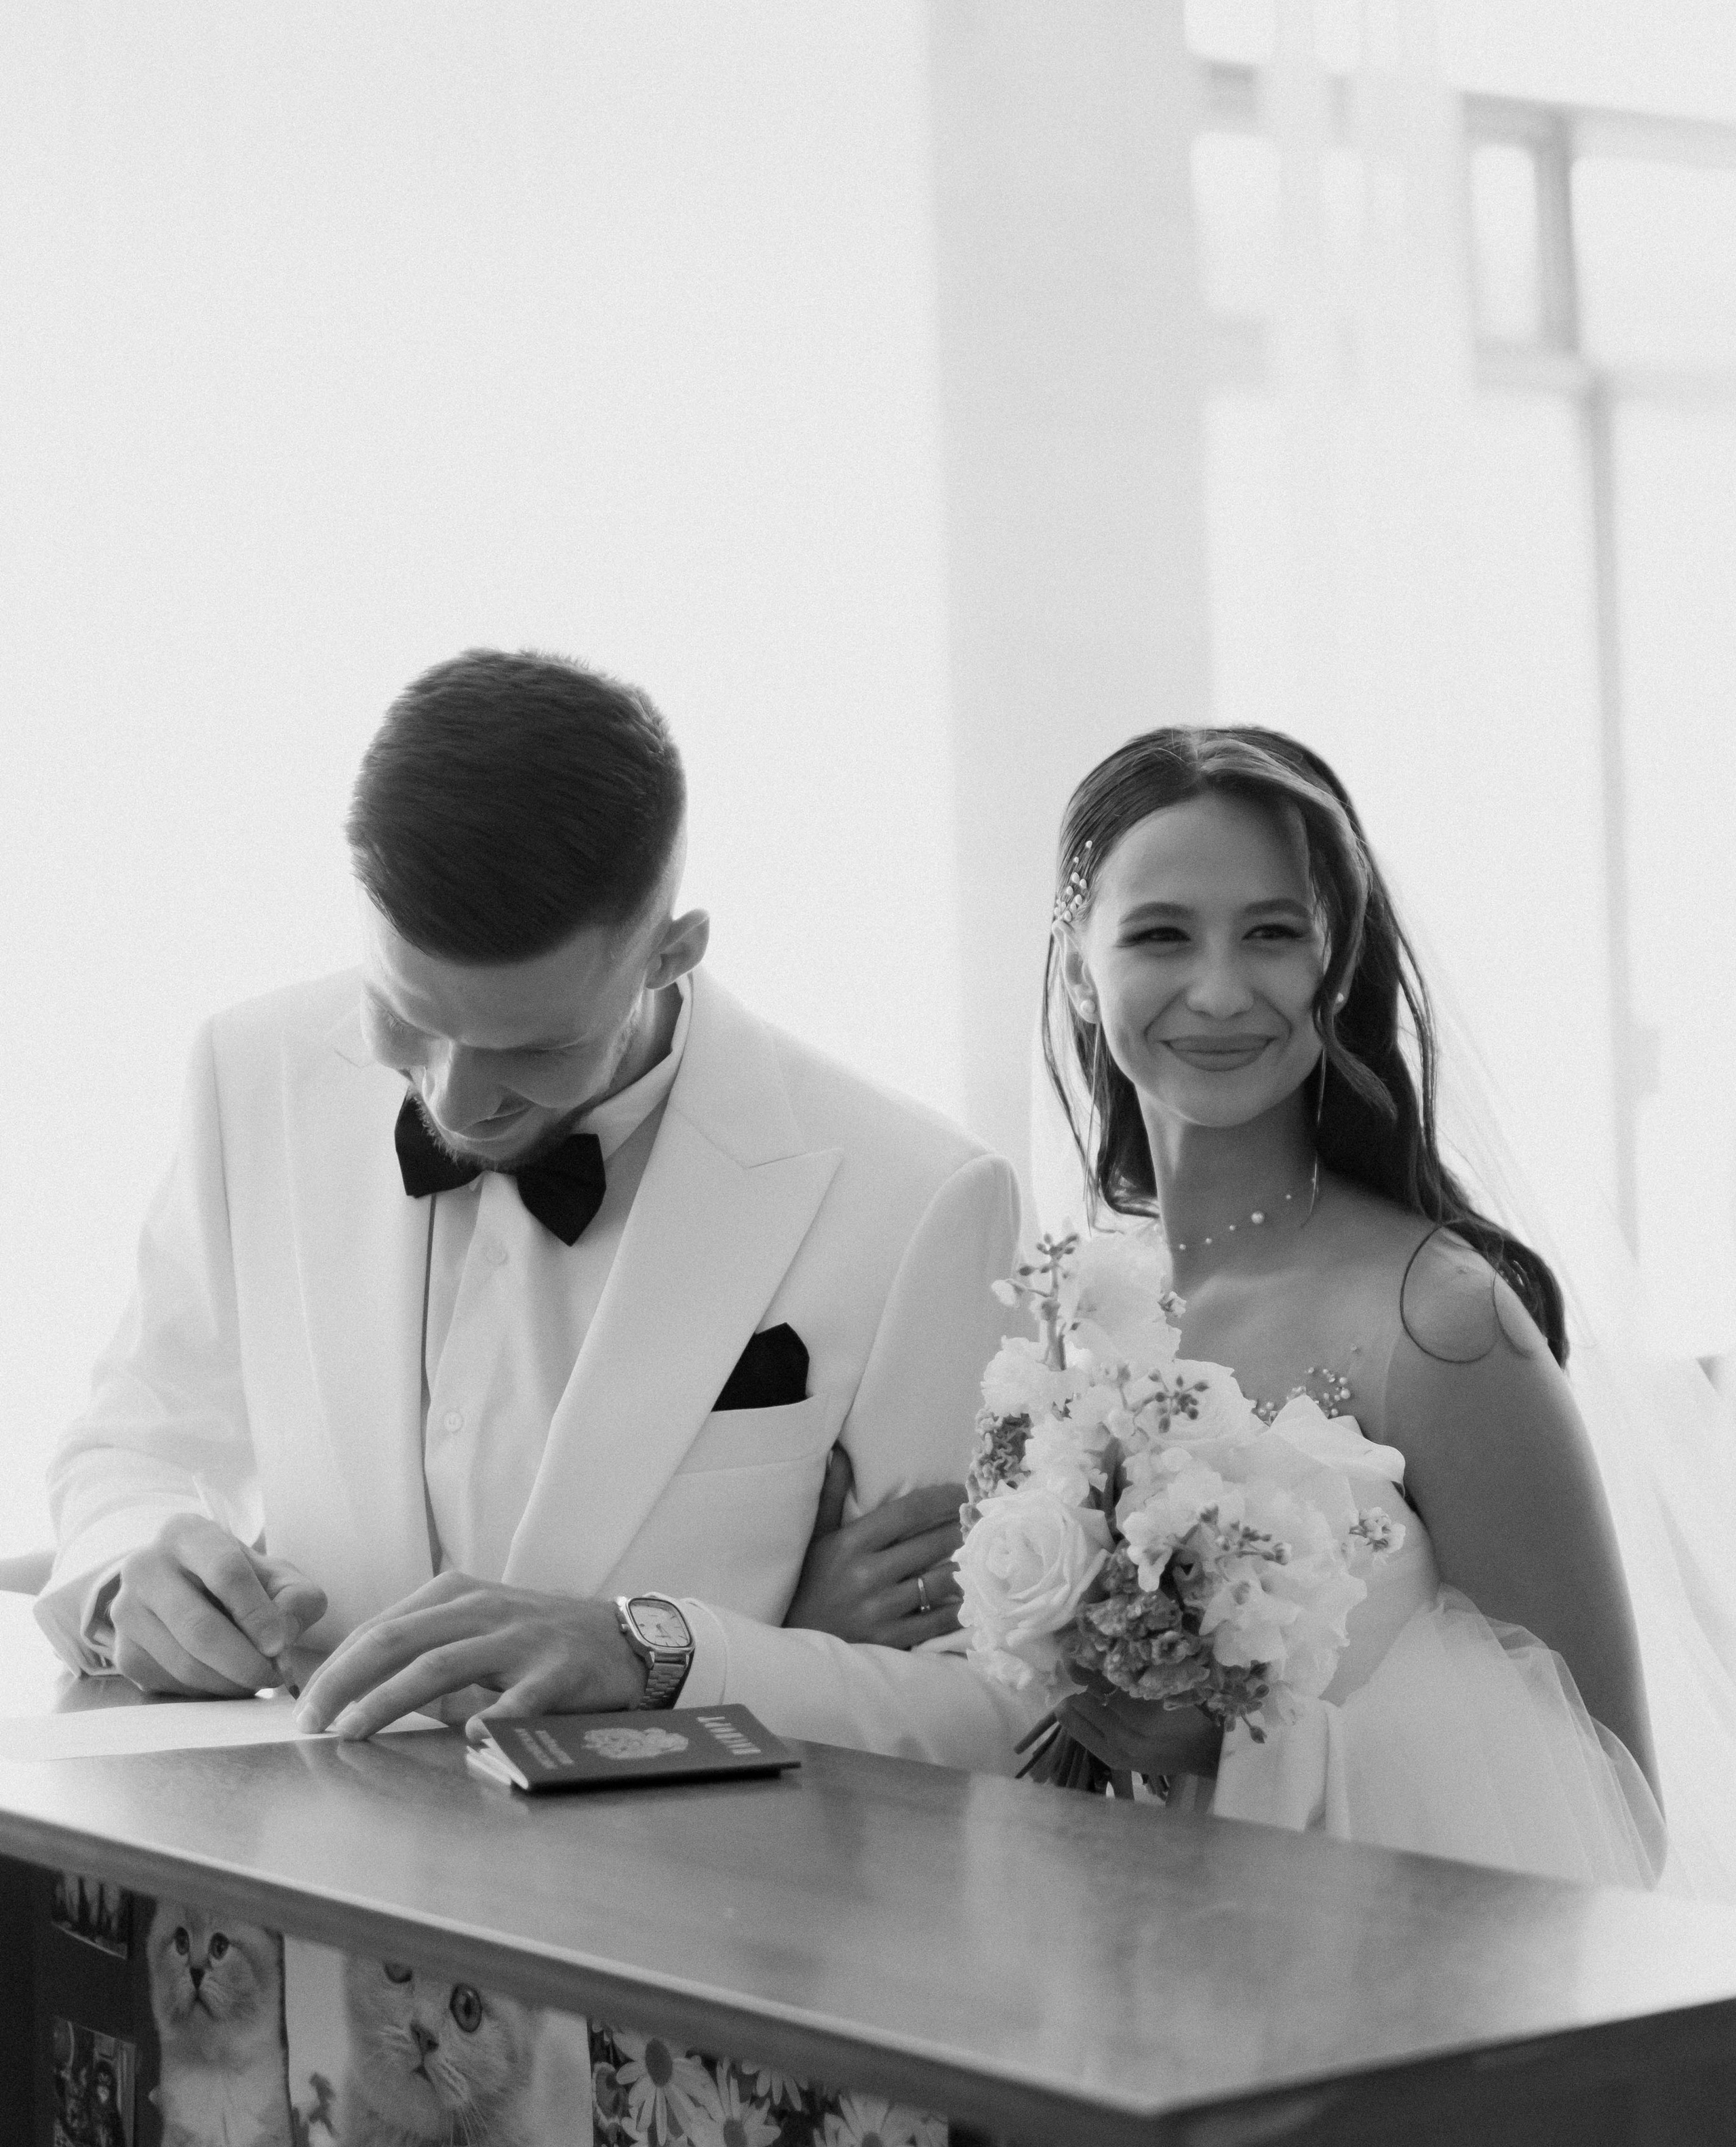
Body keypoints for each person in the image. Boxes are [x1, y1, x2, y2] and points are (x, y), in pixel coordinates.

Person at [38, 646, 1021, 1773]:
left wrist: (663, 1655)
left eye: (536, 1049)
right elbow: (134, 1443)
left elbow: (992, 1715)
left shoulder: (917, 1201)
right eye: (407, 1020)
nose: (456, 1101)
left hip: (691, 1879)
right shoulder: (249, 1073)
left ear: (672, 953)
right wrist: (134, 1577)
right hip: (293, 1853)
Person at [1027, 722, 1672, 1885]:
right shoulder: (1074, 1306)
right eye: (1162, 935)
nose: (1219, 991)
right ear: (1080, 965)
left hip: (1378, 1981)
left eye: (1273, 934)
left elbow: (1620, 1811)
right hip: (1105, 1948)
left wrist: (1245, 1753)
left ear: (1339, 959)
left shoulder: (1442, 1325)